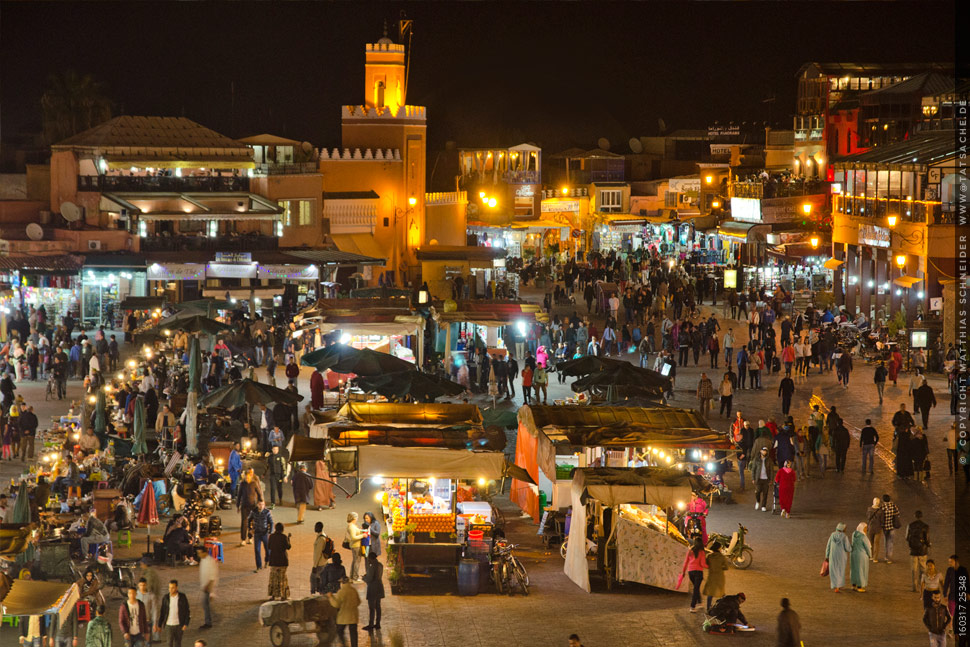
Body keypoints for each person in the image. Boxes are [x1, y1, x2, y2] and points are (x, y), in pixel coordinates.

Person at [155, 580, 189, 647]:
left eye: (173, 587)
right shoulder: (166, 598)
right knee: (169, 644)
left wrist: (186, 623)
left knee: (178, 644)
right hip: (168, 625)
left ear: (177, 588)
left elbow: (187, 611)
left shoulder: (182, 597)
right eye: (169, 587)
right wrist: (159, 625)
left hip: (179, 625)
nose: (170, 589)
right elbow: (162, 612)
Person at [329, 577, 361, 647]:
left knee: (340, 631)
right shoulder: (353, 590)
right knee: (353, 633)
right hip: (353, 616)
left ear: (342, 583)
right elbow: (358, 602)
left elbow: (336, 604)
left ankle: (344, 644)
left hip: (343, 616)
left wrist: (330, 597)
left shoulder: (341, 592)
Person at [680, 537, 708, 613]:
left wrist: (683, 572)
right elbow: (702, 564)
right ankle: (692, 606)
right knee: (695, 589)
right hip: (698, 572)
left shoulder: (690, 551)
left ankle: (700, 602)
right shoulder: (702, 552)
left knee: (696, 587)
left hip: (690, 572)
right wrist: (709, 566)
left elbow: (686, 562)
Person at [237, 469, 263, 545]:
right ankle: (244, 539)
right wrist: (238, 505)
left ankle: (249, 538)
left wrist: (260, 502)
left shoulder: (253, 483)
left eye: (248, 476)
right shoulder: (243, 483)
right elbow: (239, 495)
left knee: (251, 522)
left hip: (252, 505)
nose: (247, 477)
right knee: (245, 523)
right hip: (245, 505)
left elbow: (259, 493)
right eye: (246, 476)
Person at [907, 510, 931, 592]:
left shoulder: (910, 525)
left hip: (913, 550)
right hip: (922, 551)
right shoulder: (925, 526)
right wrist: (929, 545)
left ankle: (914, 587)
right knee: (923, 569)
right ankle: (922, 585)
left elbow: (907, 537)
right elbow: (927, 539)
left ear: (914, 516)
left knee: (914, 569)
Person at [267, 522, 291, 601]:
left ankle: (273, 595)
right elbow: (288, 547)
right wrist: (288, 538)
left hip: (273, 560)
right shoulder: (284, 537)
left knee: (273, 578)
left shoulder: (271, 536)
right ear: (282, 529)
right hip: (282, 561)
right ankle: (283, 595)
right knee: (282, 578)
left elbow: (269, 546)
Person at [825, 522, 851, 592]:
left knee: (834, 570)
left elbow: (828, 546)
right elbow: (848, 548)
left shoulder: (832, 535)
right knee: (841, 570)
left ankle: (835, 585)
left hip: (833, 556)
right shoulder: (845, 537)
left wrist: (827, 555)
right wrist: (852, 548)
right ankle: (840, 585)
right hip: (842, 557)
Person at [361, 553, 385, 631]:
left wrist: (364, 578)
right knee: (378, 606)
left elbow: (369, 579)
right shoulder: (380, 565)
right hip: (379, 587)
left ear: (371, 559)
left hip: (373, 588)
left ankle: (371, 624)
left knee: (372, 607)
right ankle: (378, 623)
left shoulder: (371, 567)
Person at [703, 541, 728, 612]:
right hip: (720, 577)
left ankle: (708, 608)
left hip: (711, 576)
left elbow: (706, 565)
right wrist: (720, 568)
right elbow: (726, 567)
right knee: (721, 593)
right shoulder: (722, 557)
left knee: (710, 593)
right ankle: (724, 607)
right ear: (719, 548)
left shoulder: (709, 556)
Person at [249, 500, 273, 571]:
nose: (261, 506)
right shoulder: (253, 512)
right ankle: (258, 566)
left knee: (268, 549)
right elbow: (249, 520)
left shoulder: (267, 512)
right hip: (257, 533)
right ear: (257, 505)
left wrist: (270, 532)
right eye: (259, 504)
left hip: (265, 533)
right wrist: (250, 529)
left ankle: (267, 560)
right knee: (257, 550)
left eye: (262, 504)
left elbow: (271, 522)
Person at [311, 522, 334, 594]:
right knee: (320, 578)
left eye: (316, 527)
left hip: (320, 563)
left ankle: (314, 593)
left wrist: (314, 566)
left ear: (319, 528)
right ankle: (320, 591)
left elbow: (318, 553)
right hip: (324, 561)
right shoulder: (323, 536)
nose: (314, 528)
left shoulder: (321, 539)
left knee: (313, 578)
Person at [197, 548, 217, 630]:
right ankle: (210, 619)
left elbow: (212, 576)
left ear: (205, 552)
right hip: (205, 586)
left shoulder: (210, 561)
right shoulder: (203, 560)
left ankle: (208, 622)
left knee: (206, 605)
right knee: (206, 605)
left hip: (208, 587)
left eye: (200, 553)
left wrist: (208, 587)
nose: (199, 554)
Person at [750, 446, 774, 512]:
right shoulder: (756, 459)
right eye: (763, 450)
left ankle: (763, 505)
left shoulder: (769, 460)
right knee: (757, 491)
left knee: (765, 493)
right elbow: (753, 469)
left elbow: (771, 470)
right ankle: (757, 501)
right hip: (758, 478)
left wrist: (771, 479)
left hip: (766, 479)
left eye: (766, 451)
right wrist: (753, 478)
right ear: (760, 451)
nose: (764, 452)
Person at [136, 577, 160, 644]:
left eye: (144, 585)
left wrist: (155, 623)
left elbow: (154, 610)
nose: (142, 587)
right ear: (138, 585)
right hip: (138, 623)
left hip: (148, 622)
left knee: (148, 643)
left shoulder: (151, 596)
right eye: (141, 585)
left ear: (146, 585)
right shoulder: (135, 595)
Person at [850, 522, 872, 592]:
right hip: (861, 556)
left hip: (853, 554)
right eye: (865, 528)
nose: (866, 530)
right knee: (861, 571)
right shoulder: (863, 537)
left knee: (854, 570)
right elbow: (868, 547)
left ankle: (854, 585)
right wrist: (870, 555)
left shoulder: (854, 534)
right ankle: (860, 586)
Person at [345, 512, 367, 581]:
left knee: (355, 561)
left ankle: (352, 575)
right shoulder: (352, 527)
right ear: (354, 518)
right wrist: (362, 535)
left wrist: (362, 530)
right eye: (356, 517)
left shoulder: (352, 525)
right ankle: (355, 577)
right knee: (357, 561)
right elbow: (353, 537)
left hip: (355, 545)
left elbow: (357, 531)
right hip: (356, 546)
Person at [880, 494, 900, 564]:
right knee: (890, 542)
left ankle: (886, 556)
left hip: (885, 527)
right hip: (892, 527)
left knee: (886, 541)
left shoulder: (882, 506)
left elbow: (880, 516)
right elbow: (898, 514)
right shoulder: (893, 505)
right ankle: (889, 558)